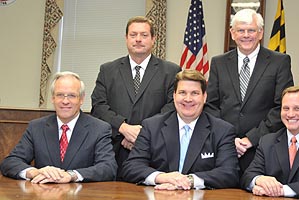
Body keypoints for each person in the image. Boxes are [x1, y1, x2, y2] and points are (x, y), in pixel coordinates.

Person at [204, 8, 294, 174]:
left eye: (251, 30)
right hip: (224, 149)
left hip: (262, 148)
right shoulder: (219, 63)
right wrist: (229, 139)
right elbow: (211, 105)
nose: (246, 35)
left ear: (260, 33)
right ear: (232, 33)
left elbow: (282, 107)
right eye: (240, 30)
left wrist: (251, 139)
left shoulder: (279, 62)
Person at [91, 16, 181, 179]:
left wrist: (142, 134)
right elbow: (99, 106)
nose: (138, 39)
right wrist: (124, 128)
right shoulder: (108, 70)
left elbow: (172, 107)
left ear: (153, 39)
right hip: (114, 149)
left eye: (144, 35)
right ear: (126, 38)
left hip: (155, 151)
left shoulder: (171, 71)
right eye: (133, 35)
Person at [121, 70, 240, 190]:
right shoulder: (151, 126)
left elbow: (229, 173)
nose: (188, 99)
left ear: (204, 97)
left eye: (194, 93)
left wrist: (189, 180)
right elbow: (131, 167)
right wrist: (162, 177)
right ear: (174, 96)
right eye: (182, 92)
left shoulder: (223, 130)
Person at [0, 71, 117, 183]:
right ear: (53, 98)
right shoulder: (36, 127)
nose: (65, 101)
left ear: (81, 99)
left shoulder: (99, 129)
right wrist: (34, 172)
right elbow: (10, 162)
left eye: (72, 95)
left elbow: (108, 168)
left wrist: (71, 175)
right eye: (60, 95)